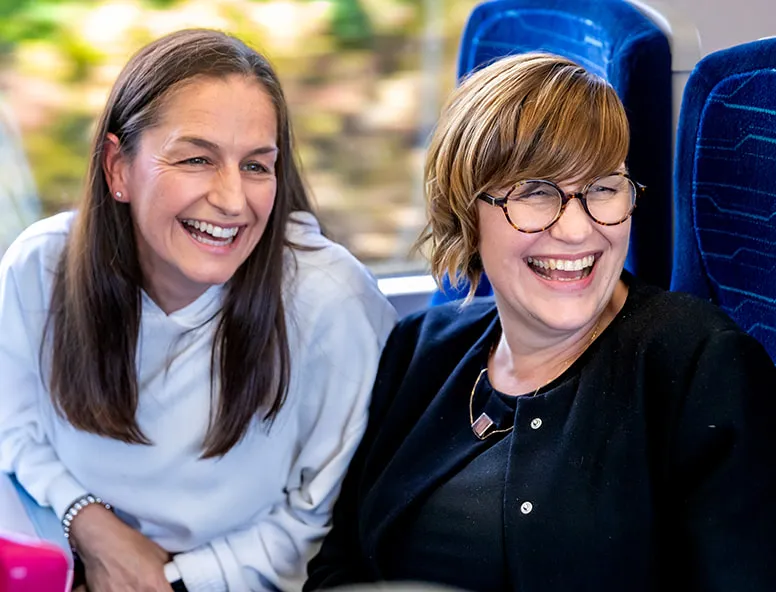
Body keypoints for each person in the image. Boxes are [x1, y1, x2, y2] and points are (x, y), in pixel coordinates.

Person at [304, 53, 776, 592]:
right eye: (535, 192)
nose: (577, 230)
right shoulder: (419, 350)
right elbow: (338, 566)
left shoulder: (700, 367)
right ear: (466, 213)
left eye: (602, 187)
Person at [0, 29, 397, 592]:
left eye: (257, 166)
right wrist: (90, 525)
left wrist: (166, 579)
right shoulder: (40, 269)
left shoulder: (332, 302)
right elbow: (13, 431)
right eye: (197, 159)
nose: (233, 200)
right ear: (118, 168)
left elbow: (317, 522)